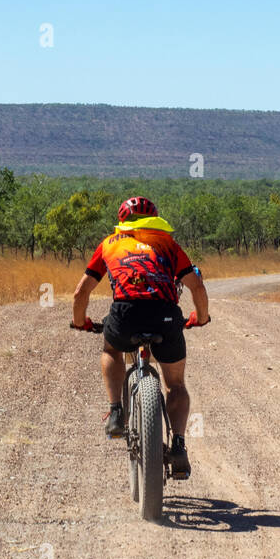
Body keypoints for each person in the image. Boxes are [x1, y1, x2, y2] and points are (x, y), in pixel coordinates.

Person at [70, 196, 209, 475]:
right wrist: (201, 318)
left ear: (122, 222)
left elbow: (81, 292)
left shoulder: (109, 243)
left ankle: (116, 411)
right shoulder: (169, 245)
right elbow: (196, 287)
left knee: (111, 350)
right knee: (176, 385)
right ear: (155, 219)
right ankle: (179, 444)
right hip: (166, 316)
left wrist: (80, 322)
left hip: (125, 315)